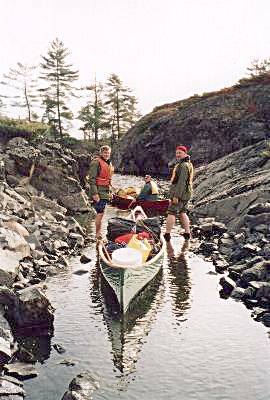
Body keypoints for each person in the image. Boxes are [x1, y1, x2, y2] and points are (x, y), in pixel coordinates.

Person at [164, 145, 194, 242]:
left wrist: (176, 196)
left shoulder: (183, 166)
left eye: (180, 153)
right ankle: (187, 233)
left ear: (185, 153)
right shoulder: (188, 164)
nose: (178, 155)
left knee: (171, 212)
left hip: (180, 195)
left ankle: (167, 235)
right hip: (186, 194)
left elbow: (181, 182)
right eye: (177, 153)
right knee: (182, 212)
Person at [88, 145, 114, 239]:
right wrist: (95, 194)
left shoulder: (109, 163)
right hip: (98, 191)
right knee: (100, 212)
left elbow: (109, 179)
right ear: (101, 153)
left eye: (108, 153)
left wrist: (110, 192)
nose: (107, 154)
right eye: (105, 153)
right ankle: (98, 234)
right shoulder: (96, 163)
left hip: (105, 191)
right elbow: (92, 179)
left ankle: (99, 232)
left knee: (101, 212)